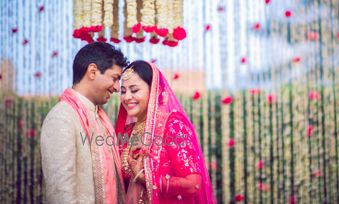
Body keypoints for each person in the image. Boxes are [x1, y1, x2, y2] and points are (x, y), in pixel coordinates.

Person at [40, 42, 129, 203]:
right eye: (115, 78)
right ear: (93, 71)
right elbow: (61, 193)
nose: (117, 88)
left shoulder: (100, 119)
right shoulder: (62, 118)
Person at [116, 60, 215, 203]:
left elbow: (193, 184)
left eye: (134, 90)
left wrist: (148, 178)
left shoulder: (173, 125)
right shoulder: (128, 131)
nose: (126, 97)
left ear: (155, 90)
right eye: (123, 91)